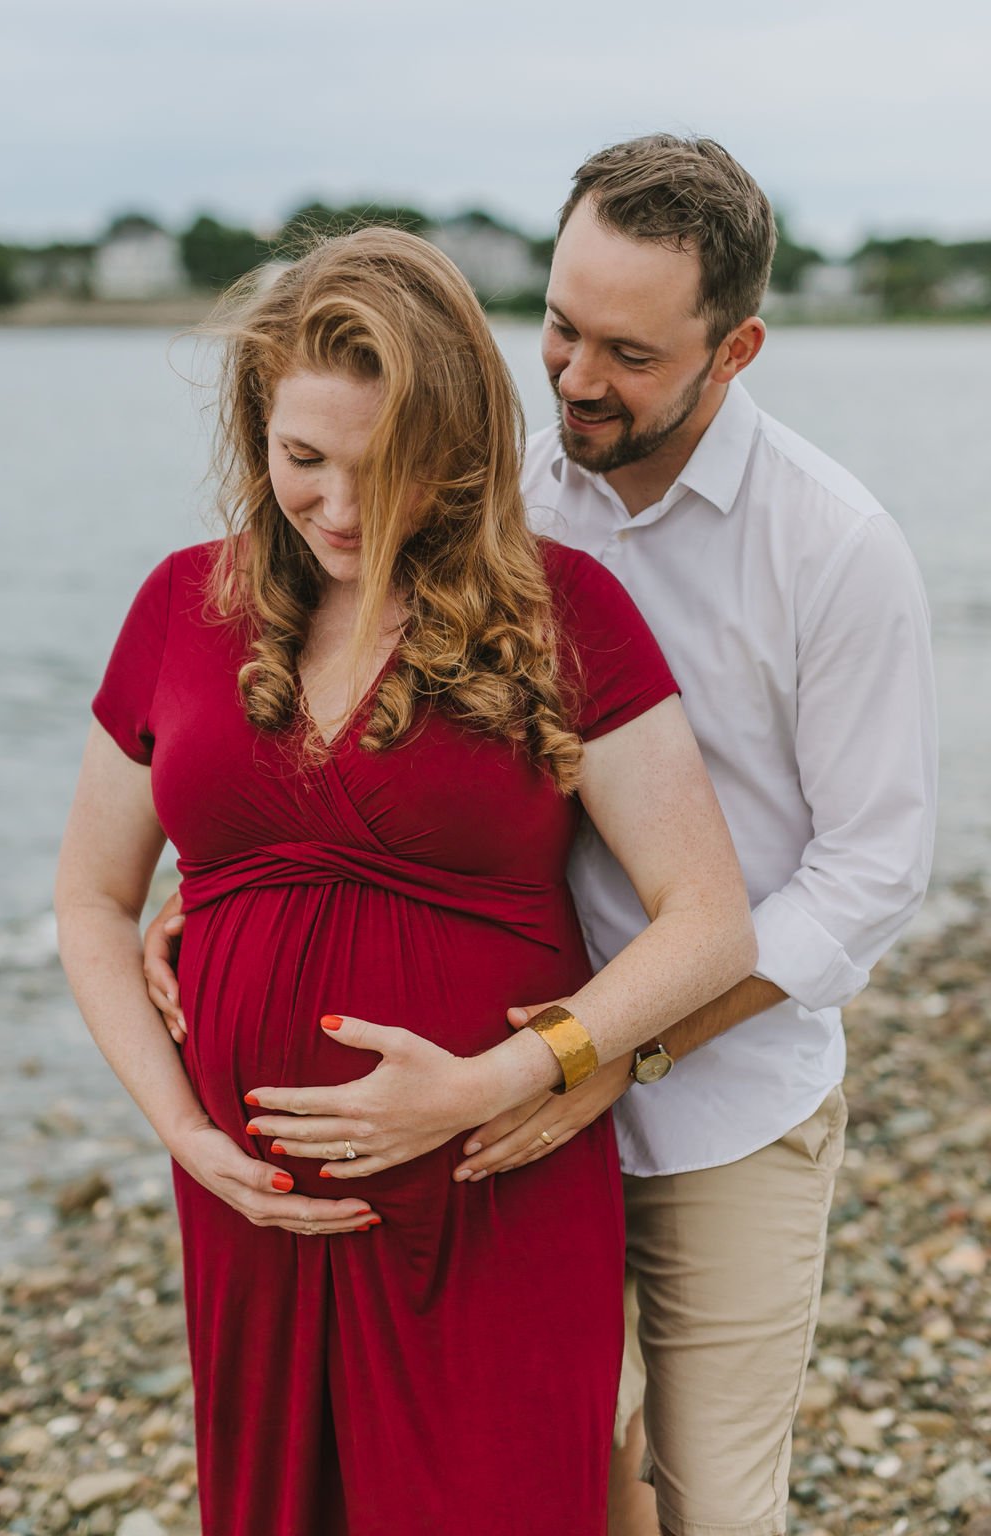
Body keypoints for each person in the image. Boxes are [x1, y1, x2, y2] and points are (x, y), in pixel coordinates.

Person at [146, 138, 937, 1536]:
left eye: (627, 353)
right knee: (563, 1475)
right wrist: (220, 895)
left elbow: (871, 872)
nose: (573, 379)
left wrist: (612, 1050)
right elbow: (365, 710)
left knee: (702, 1500)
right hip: (480, 1106)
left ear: (735, 347)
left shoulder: (834, 546)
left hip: (717, 1100)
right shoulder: (482, 488)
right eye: (560, 328)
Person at [56, 226, 757, 1536]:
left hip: (494, 1188)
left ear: (455, 451)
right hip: (257, 1219)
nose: (333, 506)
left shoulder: (562, 611)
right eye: (300, 459)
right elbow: (94, 901)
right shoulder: (175, 607)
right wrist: (184, 1135)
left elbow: (709, 919)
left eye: (377, 471)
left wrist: (497, 1080)